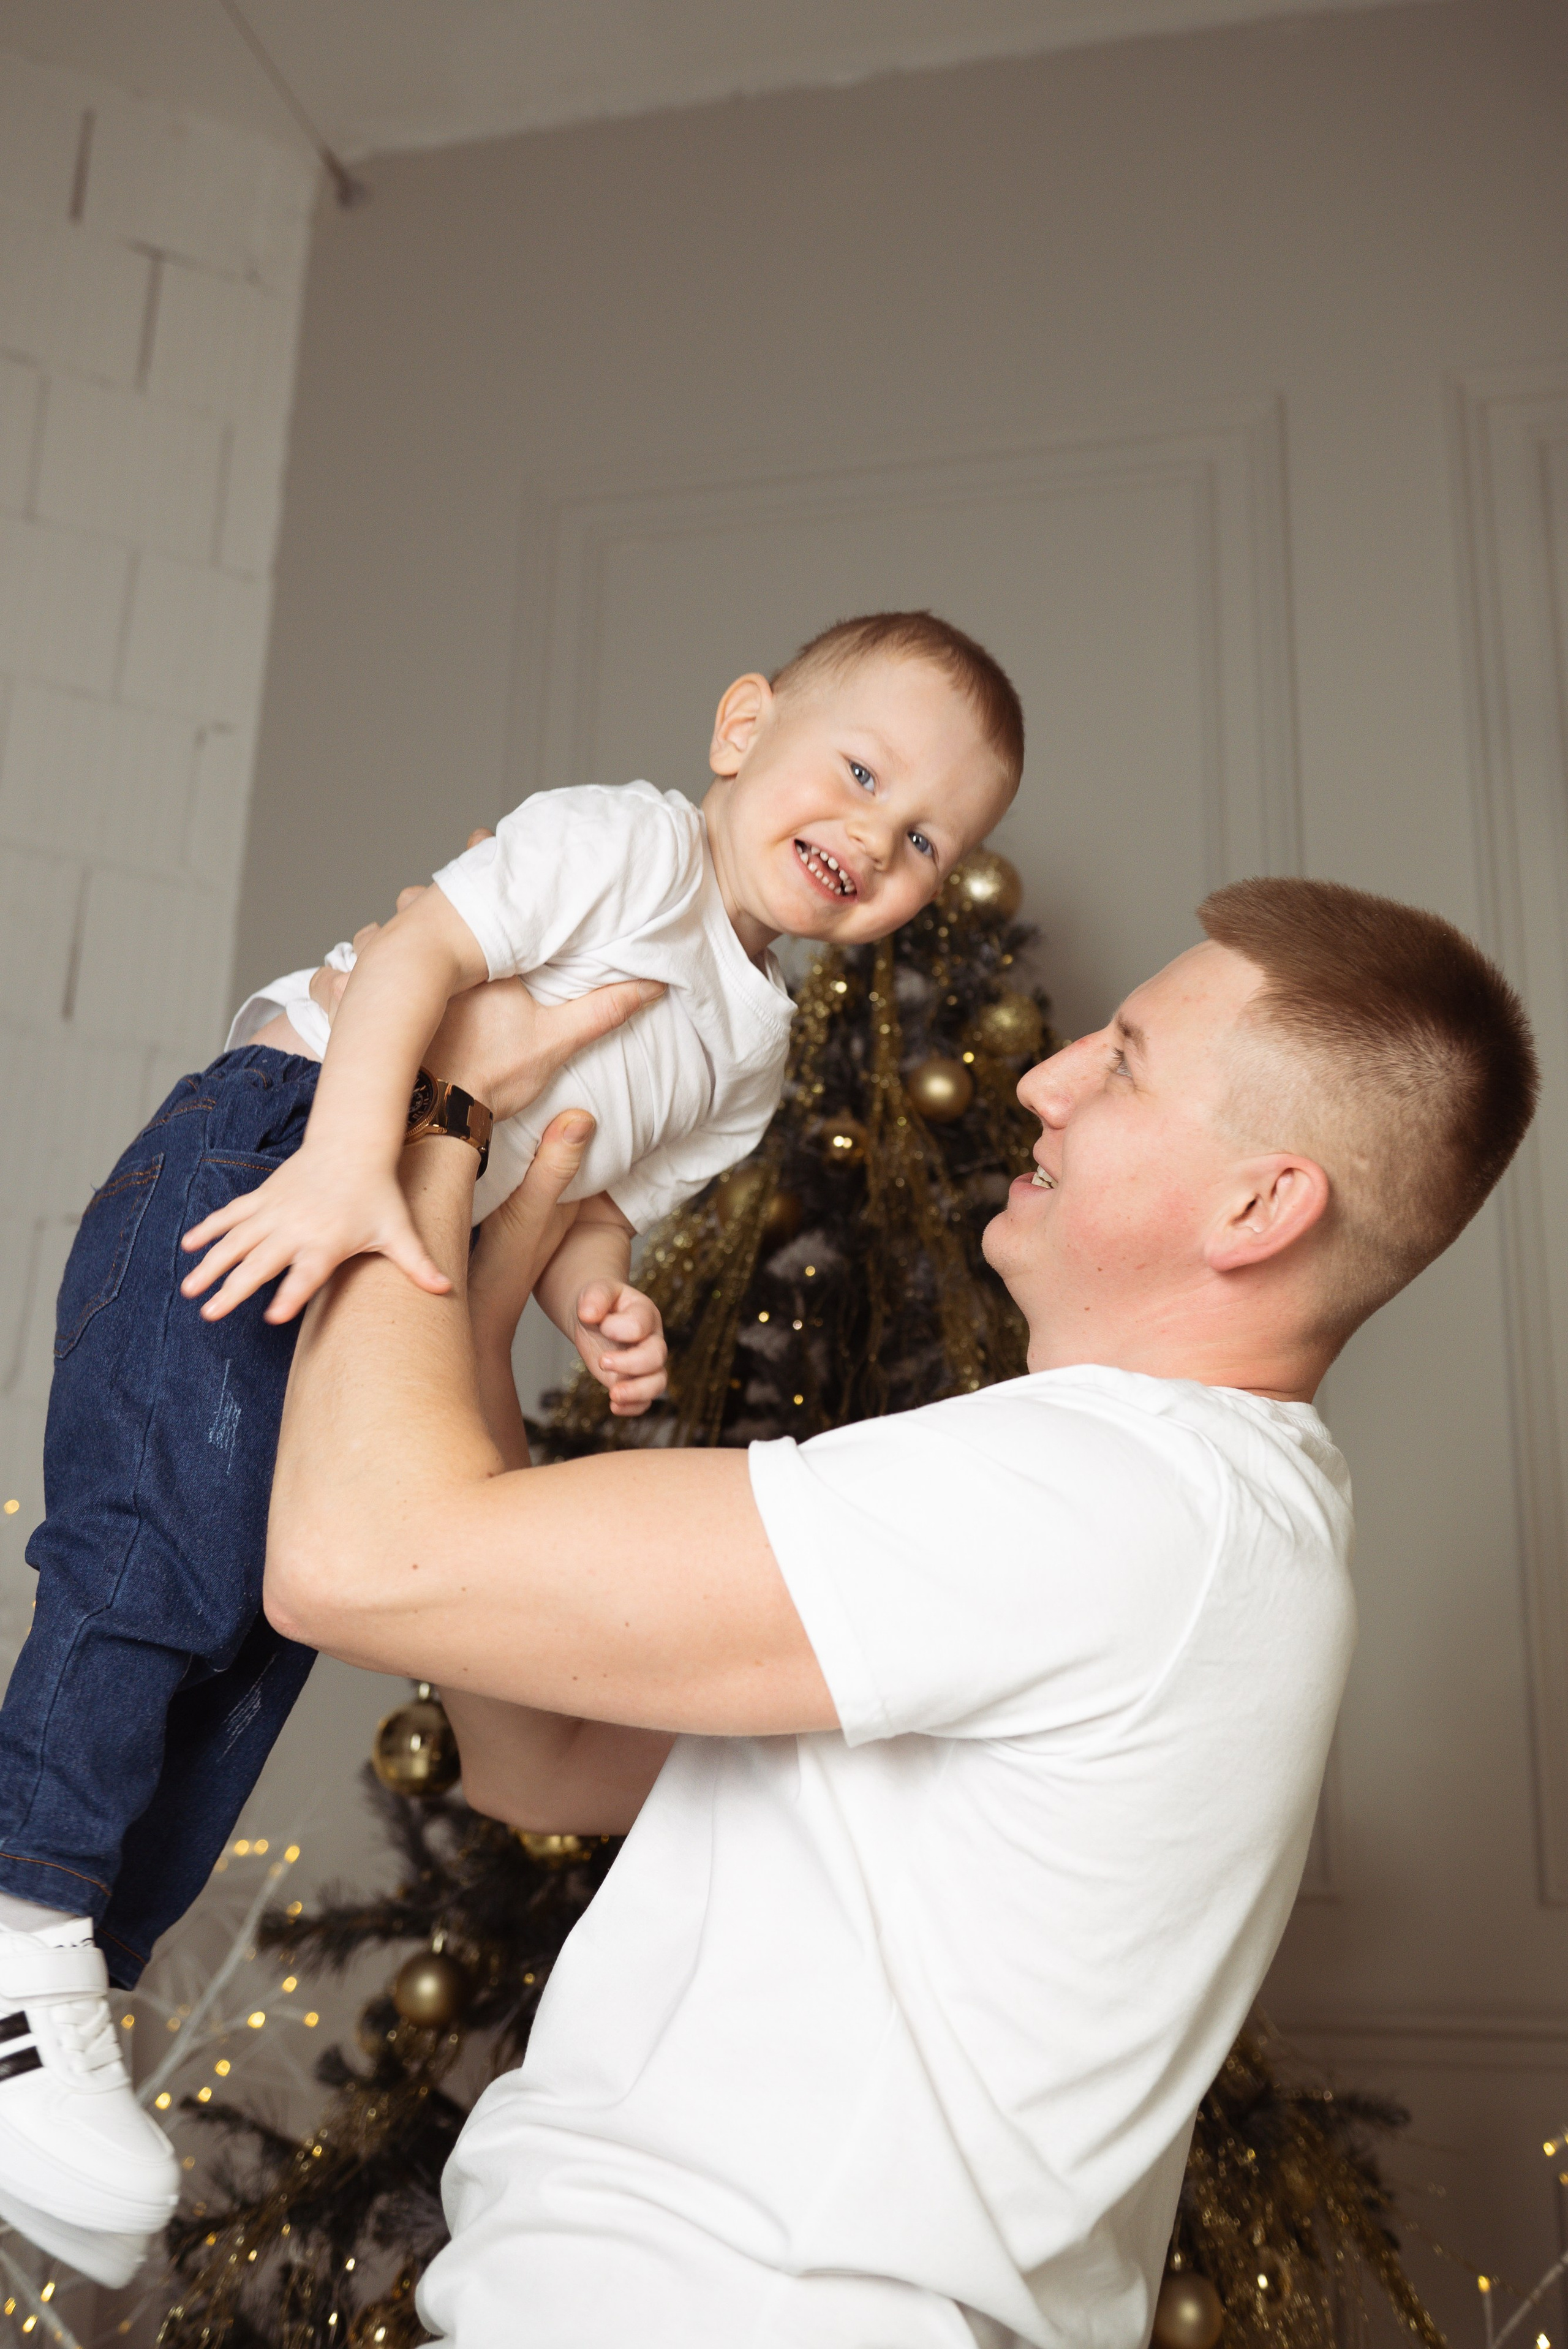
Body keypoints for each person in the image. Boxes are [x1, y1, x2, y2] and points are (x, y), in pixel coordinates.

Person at [260, 876, 1536, 2349]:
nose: (1043, 1080)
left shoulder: (1115, 1497)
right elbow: (539, 1754)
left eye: (1120, 1061)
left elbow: (349, 1561)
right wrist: (475, 1314)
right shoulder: (1200, 1516)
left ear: (1258, 1206)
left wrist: (429, 1091)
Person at [0, 611, 1023, 2283]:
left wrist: (602, 1299)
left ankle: (66, 1980)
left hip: (397, 1234)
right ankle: (19, 1919)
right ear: (743, 724)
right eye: (859, 772)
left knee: (262, 1633)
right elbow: (414, 958)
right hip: (272, 1150)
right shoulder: (621, 843)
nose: (878, 839)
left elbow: (588, 1194)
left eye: (929, 840)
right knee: (149, 1557)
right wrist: (343, 1151)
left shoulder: (756, 1045)